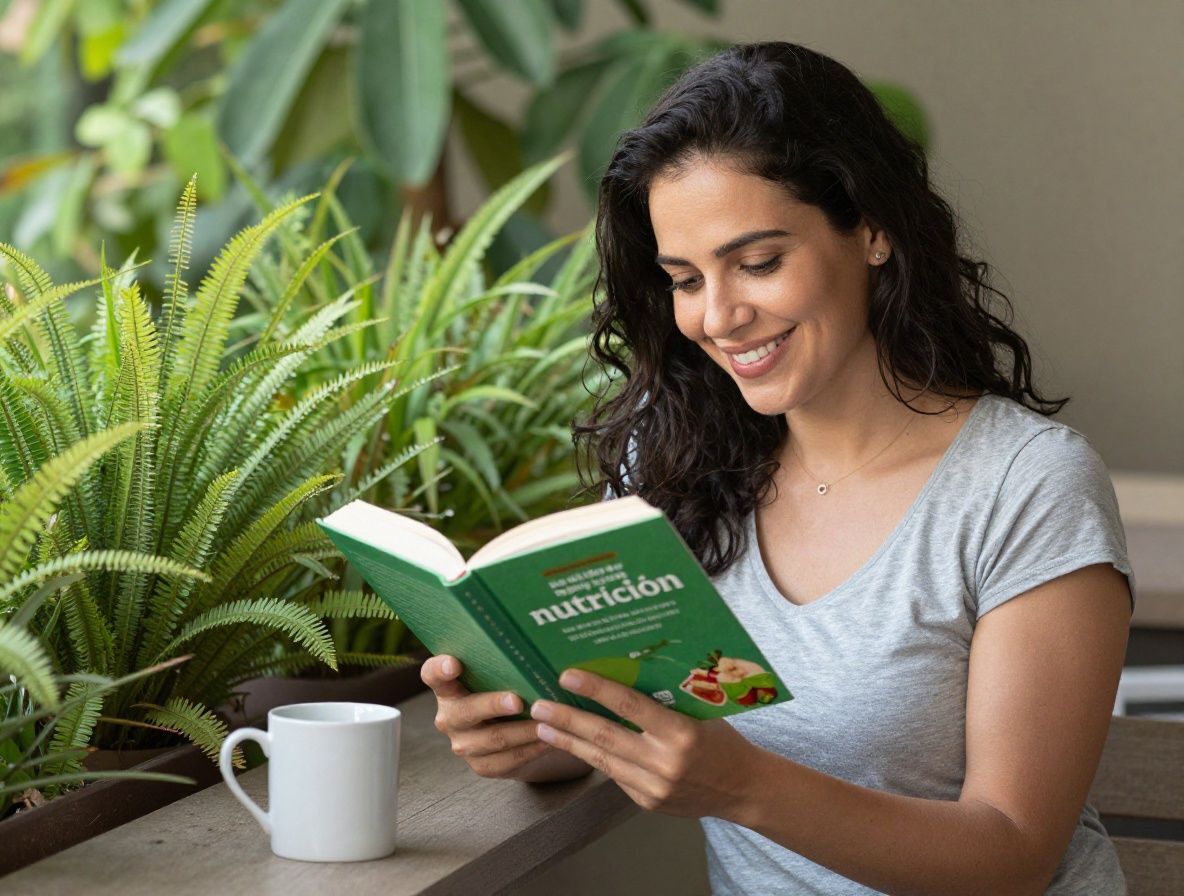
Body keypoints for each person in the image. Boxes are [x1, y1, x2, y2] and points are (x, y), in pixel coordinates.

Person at [421, 41, 1134, 895]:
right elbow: (625, 707)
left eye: (758, 263)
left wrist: (746, 787)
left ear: (873, 231)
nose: (719, 316)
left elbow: (1011, 855)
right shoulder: (675, 463)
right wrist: (526, 727)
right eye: (685, 279)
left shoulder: (1024, 486)